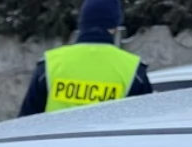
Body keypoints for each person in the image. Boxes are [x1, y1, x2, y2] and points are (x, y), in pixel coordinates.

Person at [18, 0, 153, 117]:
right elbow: (143, 126)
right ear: (114, 28)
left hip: (52, 146)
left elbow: (25, 122)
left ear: (82, 24)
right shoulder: (133, 70)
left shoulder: (49, 64)